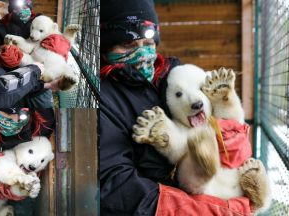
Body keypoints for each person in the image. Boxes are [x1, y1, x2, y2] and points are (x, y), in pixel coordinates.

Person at [100, 0, 253, 215]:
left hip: (214, 187)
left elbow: (220, 135)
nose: (142, 54)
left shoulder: (174, 75)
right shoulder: (104, 97)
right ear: (106, 48)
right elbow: (116, 185)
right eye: (127, 44)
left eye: (149, 42)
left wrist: (232, 141)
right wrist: (203, 211)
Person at [0, 0, 55, 108]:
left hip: (39, 84)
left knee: (44, 115)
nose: (24, 10)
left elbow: (55, 38)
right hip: (12, 85)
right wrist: (0, 50)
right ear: (12, 9)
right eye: (19, 7)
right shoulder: (0, 26)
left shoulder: (40, 21)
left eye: (26, 6)